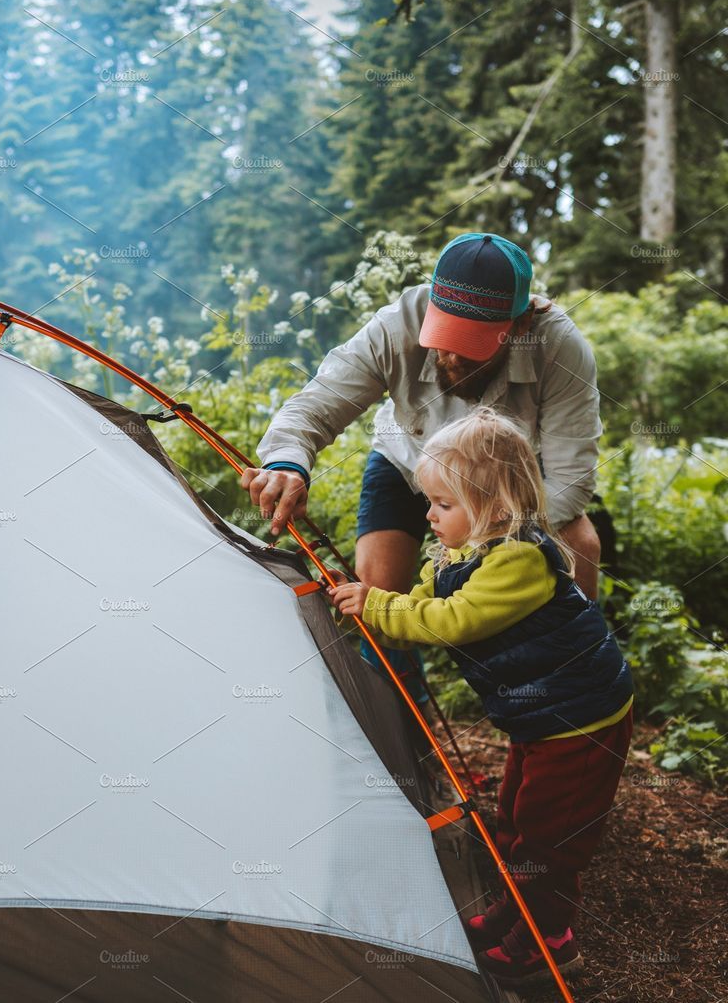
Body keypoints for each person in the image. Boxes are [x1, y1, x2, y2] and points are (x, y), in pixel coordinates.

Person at [326, 406, 634, 987]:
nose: (429, 515)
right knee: (515, 816)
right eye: (429, 502)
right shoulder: (455, 556)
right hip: (540, 719)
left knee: (548, 838)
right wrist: (372, 612)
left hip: (581, 719)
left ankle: (549, 947)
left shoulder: (516, 559)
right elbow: (417, 607)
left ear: (494, 508)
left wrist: (379, 605)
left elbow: (451, 621)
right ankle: (513, 914)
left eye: (444, 505)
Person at [241, 231, 604, 704]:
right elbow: (317, 405)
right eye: (443, 337)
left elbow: (570, 480)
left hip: (504, 492)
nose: (448, 356)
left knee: (581, 547)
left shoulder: (559, 347)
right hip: (404, 464)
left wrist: (486, 537)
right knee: (375, 593)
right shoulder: (396, 325)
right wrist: (288, 463)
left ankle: (568, 687)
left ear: (516, 327)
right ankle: (405, 734)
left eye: (469, 345)